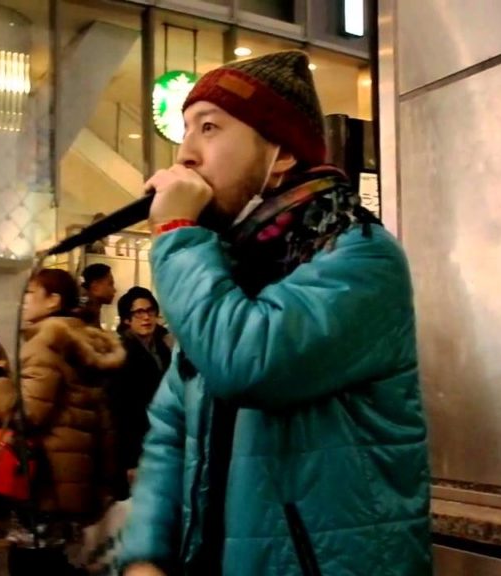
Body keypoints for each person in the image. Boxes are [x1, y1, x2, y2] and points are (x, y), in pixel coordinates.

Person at [119, 51, 431, 576]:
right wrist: (146, 553)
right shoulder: (226, 268)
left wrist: (176, 236)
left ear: (281, 151)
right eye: (185, 130)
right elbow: (172, 428)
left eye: (210, 128)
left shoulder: (359, 257)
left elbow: (247, 364)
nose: (185, 154)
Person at [0, 269, 124, 558]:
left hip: (46, 485)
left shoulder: (44, 345)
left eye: (30, 293)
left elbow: (26, 416)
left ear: (53, 301)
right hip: (80, 482)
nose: (23, 300)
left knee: (33, 564)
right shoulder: (84, 343)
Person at [109, 287, 172, 499]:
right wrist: (130, 460)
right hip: (135, 445)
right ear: (127, 319)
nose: (146, 317)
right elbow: (122, 411)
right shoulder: (122, 354)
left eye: (150, 311)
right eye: (138, 312)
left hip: (161, 439)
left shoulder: (164, 350)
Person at [80, 263, 116, 328]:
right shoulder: (85, 315)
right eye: (110, 284)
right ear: (95, 286)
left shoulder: (92, 311)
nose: (114, 290)